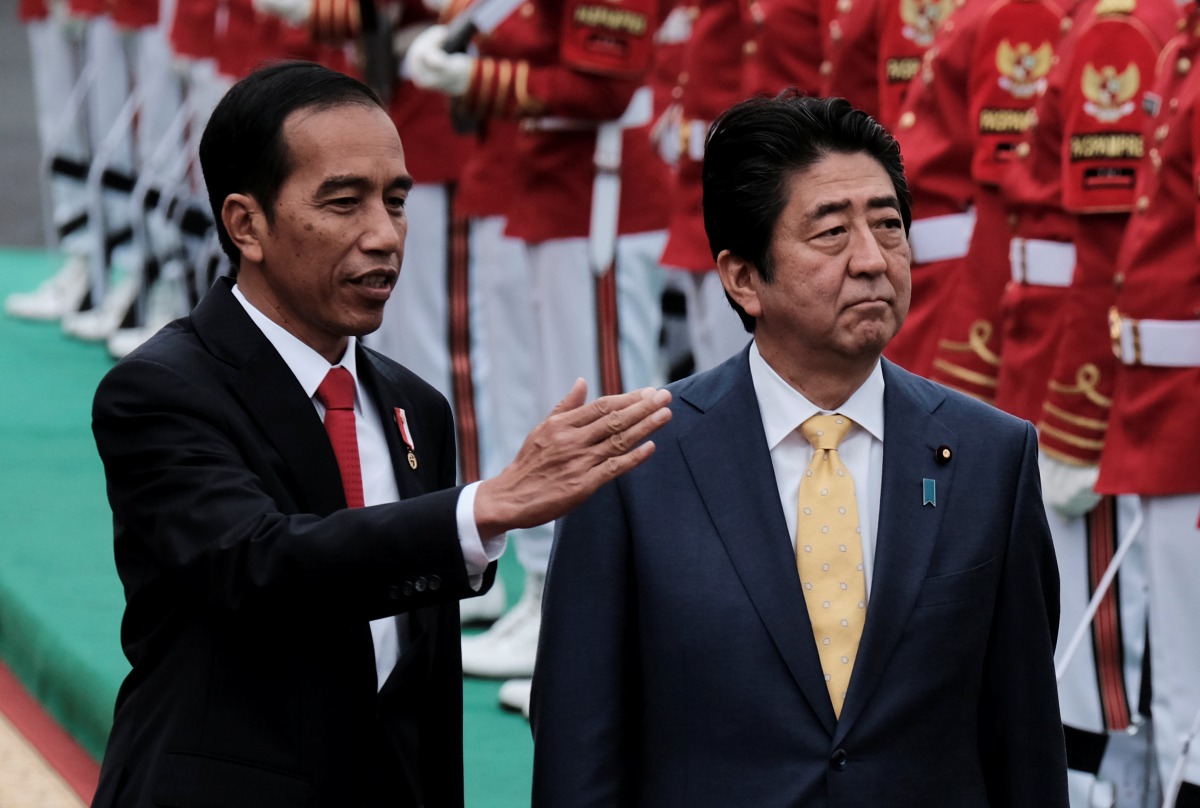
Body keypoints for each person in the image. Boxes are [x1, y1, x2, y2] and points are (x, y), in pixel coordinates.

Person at [88, 60, 672, 808]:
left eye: (396, 201)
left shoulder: (414, 407)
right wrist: (481, 509)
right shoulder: (161, 390)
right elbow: (258, 565)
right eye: (344, 203)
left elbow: (421, 688)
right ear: (245, 225)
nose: (383, 235)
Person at [531, 93, 1069, 807]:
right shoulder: (633, 463)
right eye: (832, 233)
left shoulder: (991, 457)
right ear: (742, 278)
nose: (873, 260)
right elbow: (578, 749)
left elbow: (1025, 743)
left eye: (888, 225)